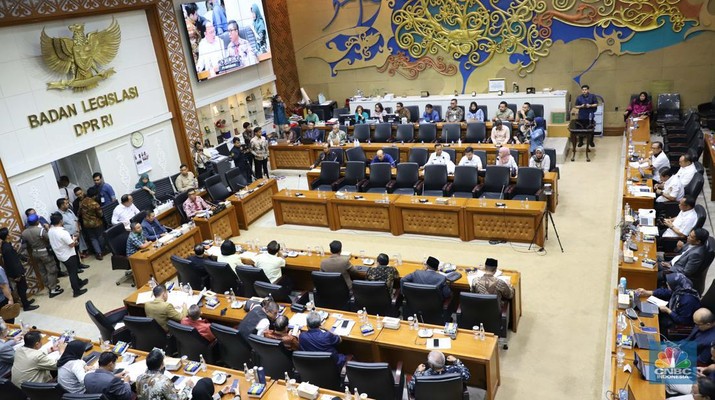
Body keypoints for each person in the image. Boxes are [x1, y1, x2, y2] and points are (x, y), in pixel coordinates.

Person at [636, 273, 700, 333]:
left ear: (675, 285)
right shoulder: (681, 289)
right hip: (673, 310)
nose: (667, 285)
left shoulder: (688, 301)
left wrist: (668, 311)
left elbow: (683, 320)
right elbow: (666, 292)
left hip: (678, 323)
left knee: (655, 320)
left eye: (668, 285)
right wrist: (648, 292)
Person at [21, 214, 63, 297]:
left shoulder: (24, 233)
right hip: (44, 252)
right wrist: (47, 228)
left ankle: (49, 287)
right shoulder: (40, 230)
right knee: (51, 270)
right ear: (37, 221)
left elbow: (24, 245)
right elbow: (49, 238)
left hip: (35, 253)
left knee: (42, 271)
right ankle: (53, 289)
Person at [0, 227, 36, 311]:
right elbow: (12, 263)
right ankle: (26, 305)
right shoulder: (7, 248)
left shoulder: (6, 245)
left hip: (16, 271)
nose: (11, 234)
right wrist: (18, 274)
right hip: (16, 272)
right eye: (9, 233)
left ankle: (25, 301)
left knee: (23, 287)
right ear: (7, 236)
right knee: (22, 288)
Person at [58, 197, 89, 261]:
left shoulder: (70, 211)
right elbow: (60, 227)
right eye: (66, 203)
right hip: (69, 236)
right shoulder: (58, 215)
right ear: (62, 205)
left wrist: (78, 230)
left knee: (77, 249)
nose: (68, 204)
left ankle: (80, 264)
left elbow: (76, 220)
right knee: (73, 252)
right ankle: (77, 266)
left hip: (76, 233)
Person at [79, 187, 105, 260]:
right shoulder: (95, 204)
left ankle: (98, 253)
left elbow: (79, 213)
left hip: (87, 224)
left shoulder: (82, 202)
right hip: (96, 223)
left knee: (93, 238)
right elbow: (100, 214)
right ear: (94, 195)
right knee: (100, 237)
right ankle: (102, 250)